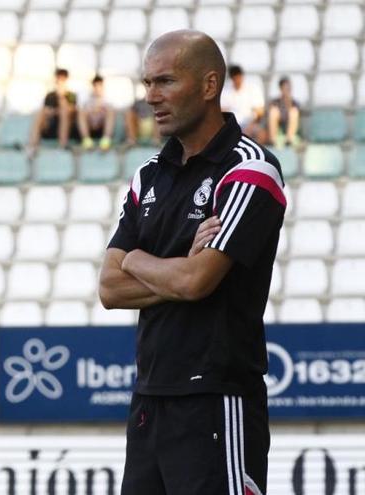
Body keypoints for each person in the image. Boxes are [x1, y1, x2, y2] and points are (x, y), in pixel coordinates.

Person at [100, 30, 284, 495]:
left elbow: (198, 281)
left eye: (164, 82)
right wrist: (173, 267)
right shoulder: (149, 174)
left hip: (216, 399)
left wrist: (137, 259)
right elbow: (109, 288)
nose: (151, 97)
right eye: (147, 84)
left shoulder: (250, 169)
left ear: (208, 85)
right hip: (149, 399)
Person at [29, 68, 79, 149]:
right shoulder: (50, 95)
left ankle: (62, 144)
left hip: (68, 128)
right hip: (52, 126)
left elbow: (72, 110)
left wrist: (61, 98)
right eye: (59, 79)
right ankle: (32, 144)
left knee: (64, 111)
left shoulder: (71, 95)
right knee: (40, 113)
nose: (60, 81)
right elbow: (46, 110)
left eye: (63, 79)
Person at [221, 65, 267, 143]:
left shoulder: (253, 89)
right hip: (232, 125)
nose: (237, 80)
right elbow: (222, 111)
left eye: (238, 77)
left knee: (261, 134)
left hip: (251, 124)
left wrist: (250, 127)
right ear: (232, 78)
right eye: (235, 78)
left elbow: (260, 112)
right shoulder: (226, 90)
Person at [78, 74, 115, 151]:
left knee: (110, 112)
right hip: (90, 127)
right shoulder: (86, 100)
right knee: (81, 113)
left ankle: (106, 140)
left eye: (99, 85)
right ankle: (86, 140)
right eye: (95, 86)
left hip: (101, 128)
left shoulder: (107, 100)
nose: (97, 88)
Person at [267, 77, 301, 149]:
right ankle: (272, 140)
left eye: (289, 88)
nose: (287, 90)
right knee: (273, 112)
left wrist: (288, 101)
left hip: (290, 127)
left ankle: (289, 140)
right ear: (281, 88)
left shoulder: (294, 102)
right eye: (285, 88)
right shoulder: (275, 102)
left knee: (293, 112)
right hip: (279, 127)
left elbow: (295, 112)